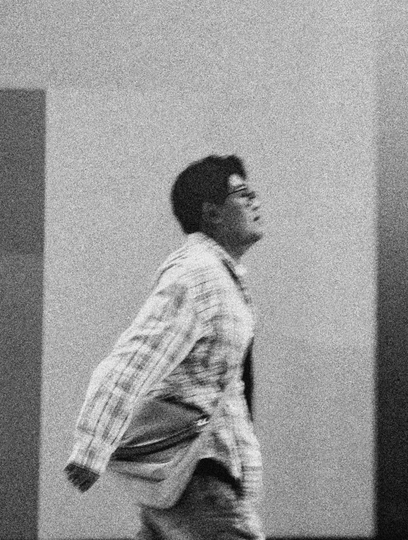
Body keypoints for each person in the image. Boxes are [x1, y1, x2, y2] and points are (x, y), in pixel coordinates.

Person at [64, 155, 265, 539]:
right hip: (198, 486)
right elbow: (133, 361)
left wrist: (245, 483)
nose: (255, 200)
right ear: (212, 213)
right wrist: (91, 447)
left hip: (196, 483)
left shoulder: (223, 278)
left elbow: (229, 396)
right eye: (242, 193)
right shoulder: (197, 273)